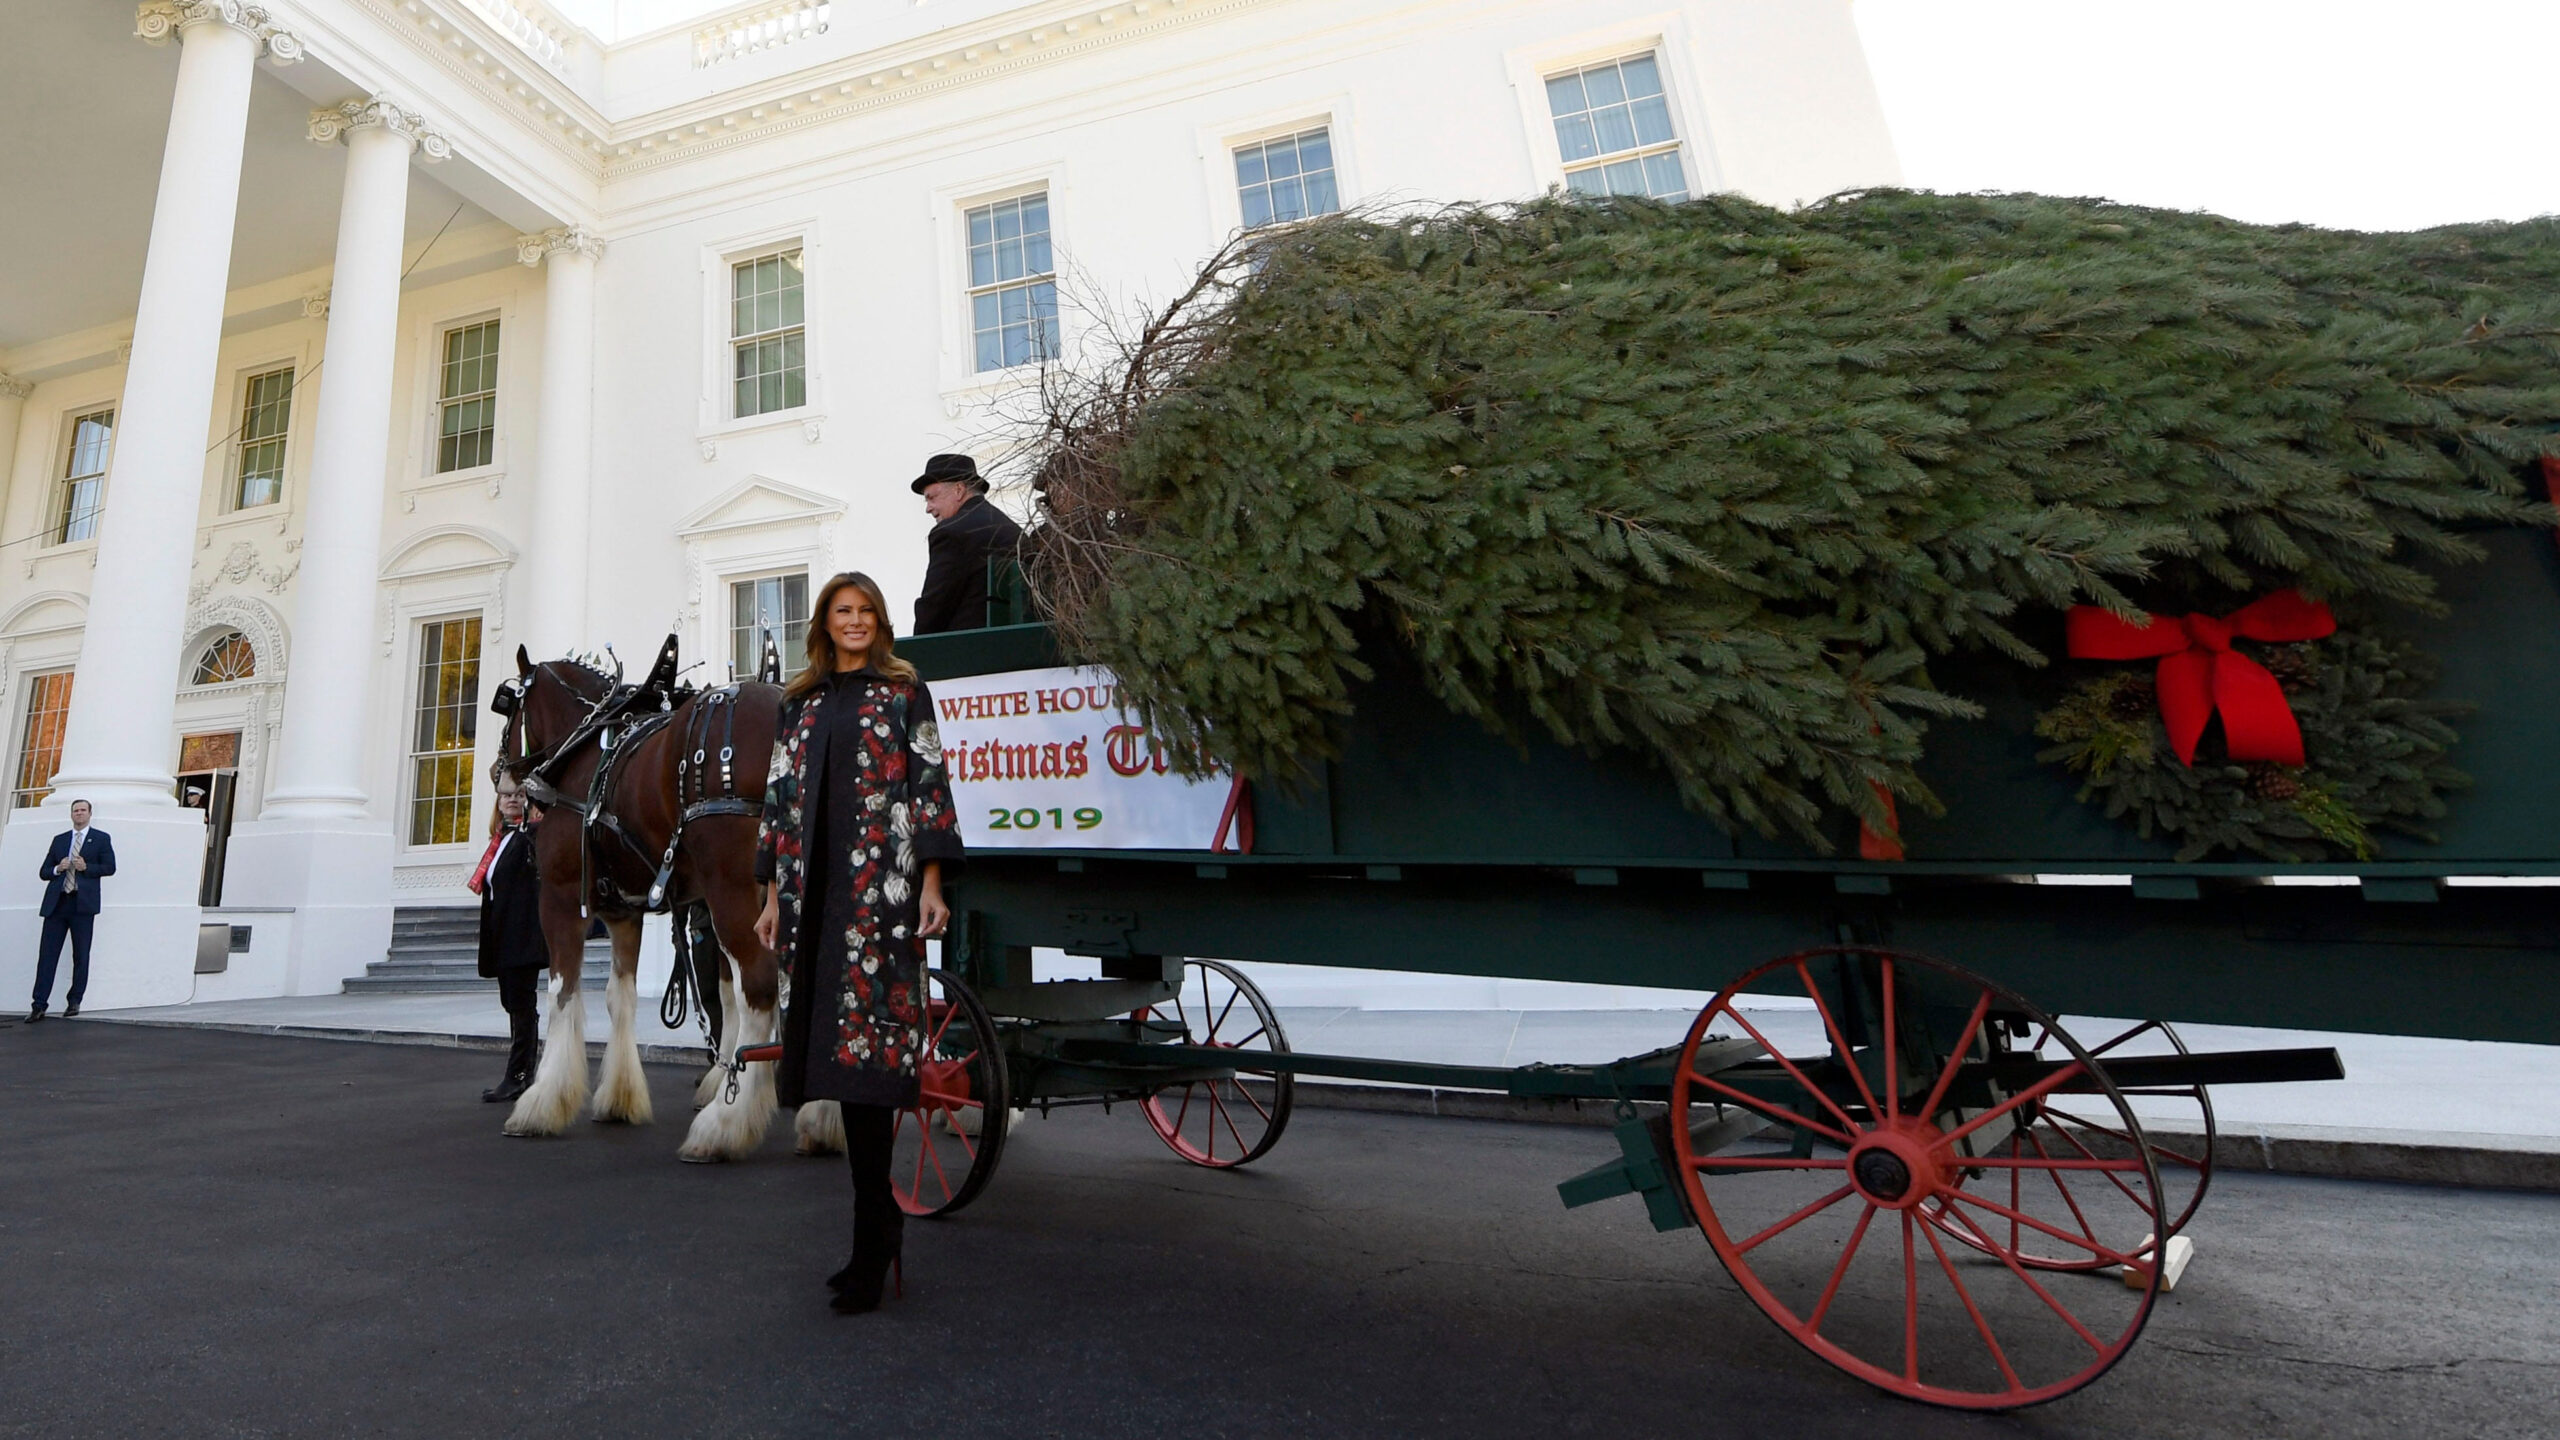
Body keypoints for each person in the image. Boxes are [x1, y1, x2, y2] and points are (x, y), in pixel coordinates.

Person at [753, 571, 964, 1314]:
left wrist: (932, 884)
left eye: (866, 610)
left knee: (870, 1066)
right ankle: (873, 1234)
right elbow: (779, 802)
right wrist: (771, 897)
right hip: (810, 904)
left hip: (879, 900)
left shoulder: (903, 693)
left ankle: (876, 1239)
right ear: (824, 622)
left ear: (879, 621)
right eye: (843, 610)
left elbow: (930, 788)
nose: (854, 620)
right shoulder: (800, 703)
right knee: (836, 1067)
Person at [469, 772, 546, 1102]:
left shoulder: (530, 836)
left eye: (519, 795)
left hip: (523, 935)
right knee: (512, 1003)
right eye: (506, 796)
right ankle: (521, 1073)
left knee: (522, 1005)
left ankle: (518, 1076)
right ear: (498, 804)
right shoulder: (500, 840)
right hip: (502, 936)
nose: (512, 799)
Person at [909, 453, 1024, 635]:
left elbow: (934, 605)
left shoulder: (950, 532)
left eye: (932, 497)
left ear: (959, 490)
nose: (928, 508)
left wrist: (917, 647)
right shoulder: (1013, 530)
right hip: (1018, 641)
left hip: (967, 645)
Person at [29, 799, 114, 1022]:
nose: (79, 814)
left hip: (82, 905)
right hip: (57, 904)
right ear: (71, 814)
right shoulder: (60, 840)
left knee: (81, 955)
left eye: (83, 810)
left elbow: (110, 867)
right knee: (47, 956)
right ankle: (39, 1004)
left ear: (90, 814)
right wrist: (58, 868)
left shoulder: (101, 838)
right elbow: (44, 871)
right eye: (76, 811)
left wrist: (87, 867)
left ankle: (74, 1001)